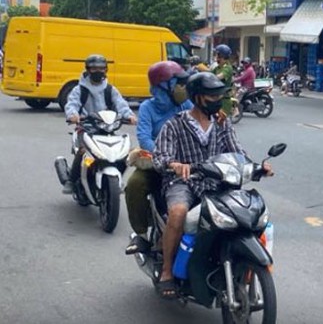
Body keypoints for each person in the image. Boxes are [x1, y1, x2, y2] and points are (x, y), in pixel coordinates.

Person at [152, 72, 272, 299]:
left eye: (219, 96)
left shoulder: (222, 122)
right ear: (197, 98)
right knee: (178, 213)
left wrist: (257, 167)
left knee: (246, 214)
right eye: (212, 96)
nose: (217, 101)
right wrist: (174, 165)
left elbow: (237, 151)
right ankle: (167, 271)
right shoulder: (175, 125)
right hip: (184, 183)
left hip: (218, 182)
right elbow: (160, 158)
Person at [124, 61, 193, 255]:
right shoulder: (148, 107)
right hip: (157, 163)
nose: (182, 88)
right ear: (163, 85)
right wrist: (165, 157)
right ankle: (141, 235)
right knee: (134, 184)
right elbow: (144, 137)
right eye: (178, 83)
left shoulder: (187, 104)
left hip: (187, 164)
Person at [62, 54, 137, 194]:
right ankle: (71, 181)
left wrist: (130, 116)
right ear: (88, 70)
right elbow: (71, 104)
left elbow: (121, 105)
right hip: (86, 128)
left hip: (108, 127)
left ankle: (117, 179)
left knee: (123, 152)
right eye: (94, 68)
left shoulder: (110, 90)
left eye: (101, 68)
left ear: (106, 70)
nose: (98, 71)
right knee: (83, 152)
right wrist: (73, 115)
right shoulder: (79, 89)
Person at [212, 44, 234, 114]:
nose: (215, 56)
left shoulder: (228, 68)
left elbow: (219, 77)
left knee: (222, 122)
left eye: (217, 54)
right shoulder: (217, 67)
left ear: (221, 56)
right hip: (216, 97)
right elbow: (209, 74)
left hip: (224, 100)